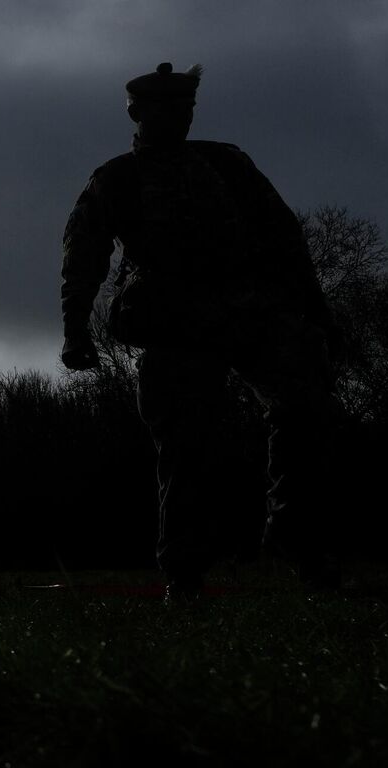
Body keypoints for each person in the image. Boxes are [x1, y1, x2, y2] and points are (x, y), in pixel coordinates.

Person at [59, 63, 345, 600]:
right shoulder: (116, 179)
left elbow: (285, 236)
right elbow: (84, 258)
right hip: (174, 321)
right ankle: (185, 575)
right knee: (187, 445)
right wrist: (76, 330)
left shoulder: (227, 164)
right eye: (167, 109)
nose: (180, 118)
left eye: (187, 108)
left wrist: (316, 310)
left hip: (253, 312)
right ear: (139, 113)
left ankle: (300, 544)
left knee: (307, 410)